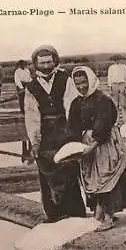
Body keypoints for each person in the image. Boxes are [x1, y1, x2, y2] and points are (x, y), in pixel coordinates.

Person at [23, 45, 86, 222]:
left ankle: (75, 213)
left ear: (55, 61)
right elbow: (32, 116)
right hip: (45, 134)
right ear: (36, 64)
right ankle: (54, 214)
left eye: (49, 62)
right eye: (41, 63)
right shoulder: (32, 87)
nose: (46, 66)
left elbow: (71, 106)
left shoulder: (65, 79)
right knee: (48, 171)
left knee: (70, 170)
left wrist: (74, 133)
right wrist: (35, 142)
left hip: (64, 130)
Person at [71, 66, 126, 232]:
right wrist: (76, 144)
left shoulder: (102, 100)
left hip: (104, 143)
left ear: (90, 80)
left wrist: (94, 143)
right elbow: (73, 125)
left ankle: (109, 215)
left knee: (106, 176)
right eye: (77, 83)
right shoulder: (76, 103)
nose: (81, 86)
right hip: (86, 145)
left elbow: (103, 123)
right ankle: (98, 211)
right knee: (91, 178)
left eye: (83, 82)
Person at [14, 59, 33, 163]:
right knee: (22, 99)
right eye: (22, 64)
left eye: (24, 64)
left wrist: (30, 84)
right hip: (21, 85)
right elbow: (17, 80)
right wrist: (21, 88)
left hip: (27, 84)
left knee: (29, 99)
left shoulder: (27, 70)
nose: (24, 65)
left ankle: (28, 109)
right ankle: (23, 111)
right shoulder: (17, 72)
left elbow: (29, 78)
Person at [107, 56, 126, 124]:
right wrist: (109, 87)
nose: (117, 61)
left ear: (120, 59)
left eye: (118, 59)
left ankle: (125, 119)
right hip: (114, 85)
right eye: (115, 59)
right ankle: (116, 119)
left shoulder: (123, 66)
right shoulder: (111, 67)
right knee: (115, 104)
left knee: (123, 103)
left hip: (122, 84)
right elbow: (109, 77)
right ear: (113, 60)